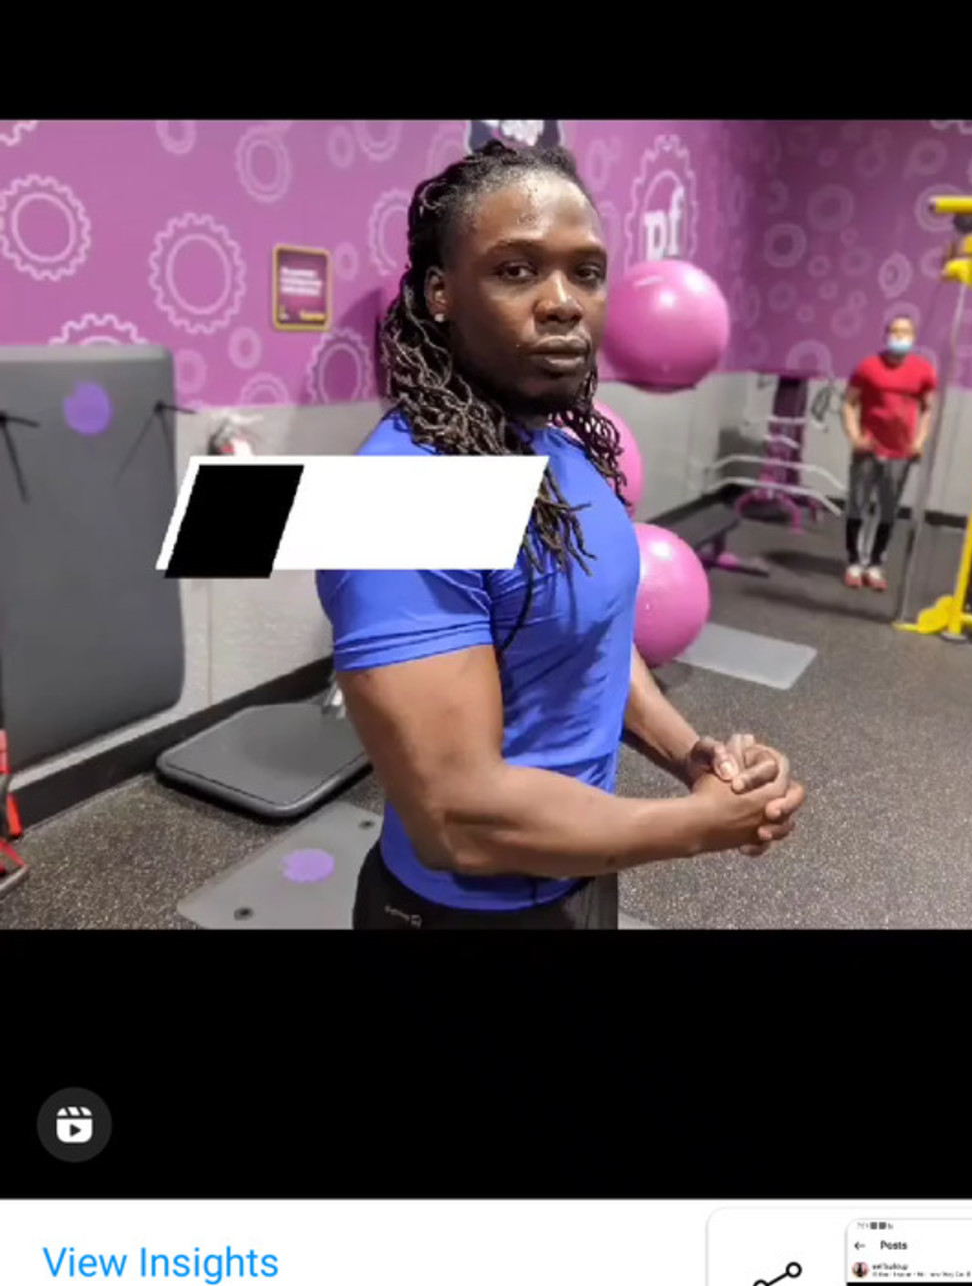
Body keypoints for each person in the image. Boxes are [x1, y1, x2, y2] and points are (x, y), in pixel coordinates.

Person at [317, 139, 805, 929]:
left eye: (586, 271)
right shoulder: (403, 494)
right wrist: (700, 825)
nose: (563, 302)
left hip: (580, 869)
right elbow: (457, 818)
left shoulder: (561, 448)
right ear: (441, 292)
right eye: (516, 270)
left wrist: (696, 758)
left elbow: (592, 636)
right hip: (464, 912)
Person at [841, 314, 937, 592]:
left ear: (914, 337)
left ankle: (875, 563)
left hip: (901, 452)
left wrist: (919, 441)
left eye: (905, 332)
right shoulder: (868, 367)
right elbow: (848, 403)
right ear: (886, 335)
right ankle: (854, 562)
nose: (900, 336)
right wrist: (855, 437)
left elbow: (928, 409)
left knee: (888, 510)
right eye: (895, 331)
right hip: (869, 449)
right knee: (858, 504)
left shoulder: (923, 370)